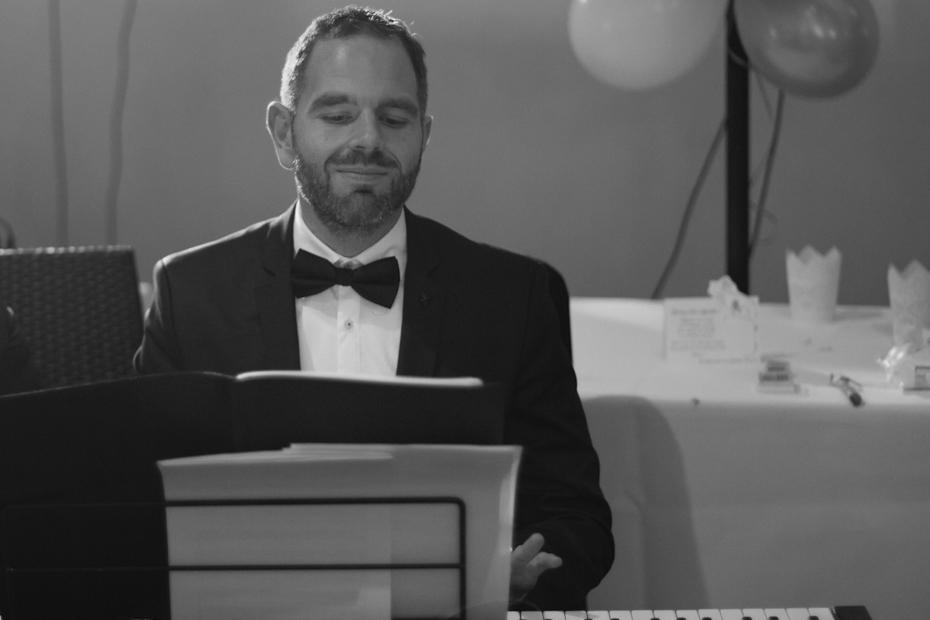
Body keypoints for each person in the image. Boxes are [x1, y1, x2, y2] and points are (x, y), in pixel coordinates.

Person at [134, 5, 613, 610]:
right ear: (283, 133)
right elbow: (135, 504)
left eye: (393, 118)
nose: (367, 140)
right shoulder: (191, 293)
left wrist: (518, 575)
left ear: (423, 135)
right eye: (337, 115)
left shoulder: (511, 296)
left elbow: (576, 516)